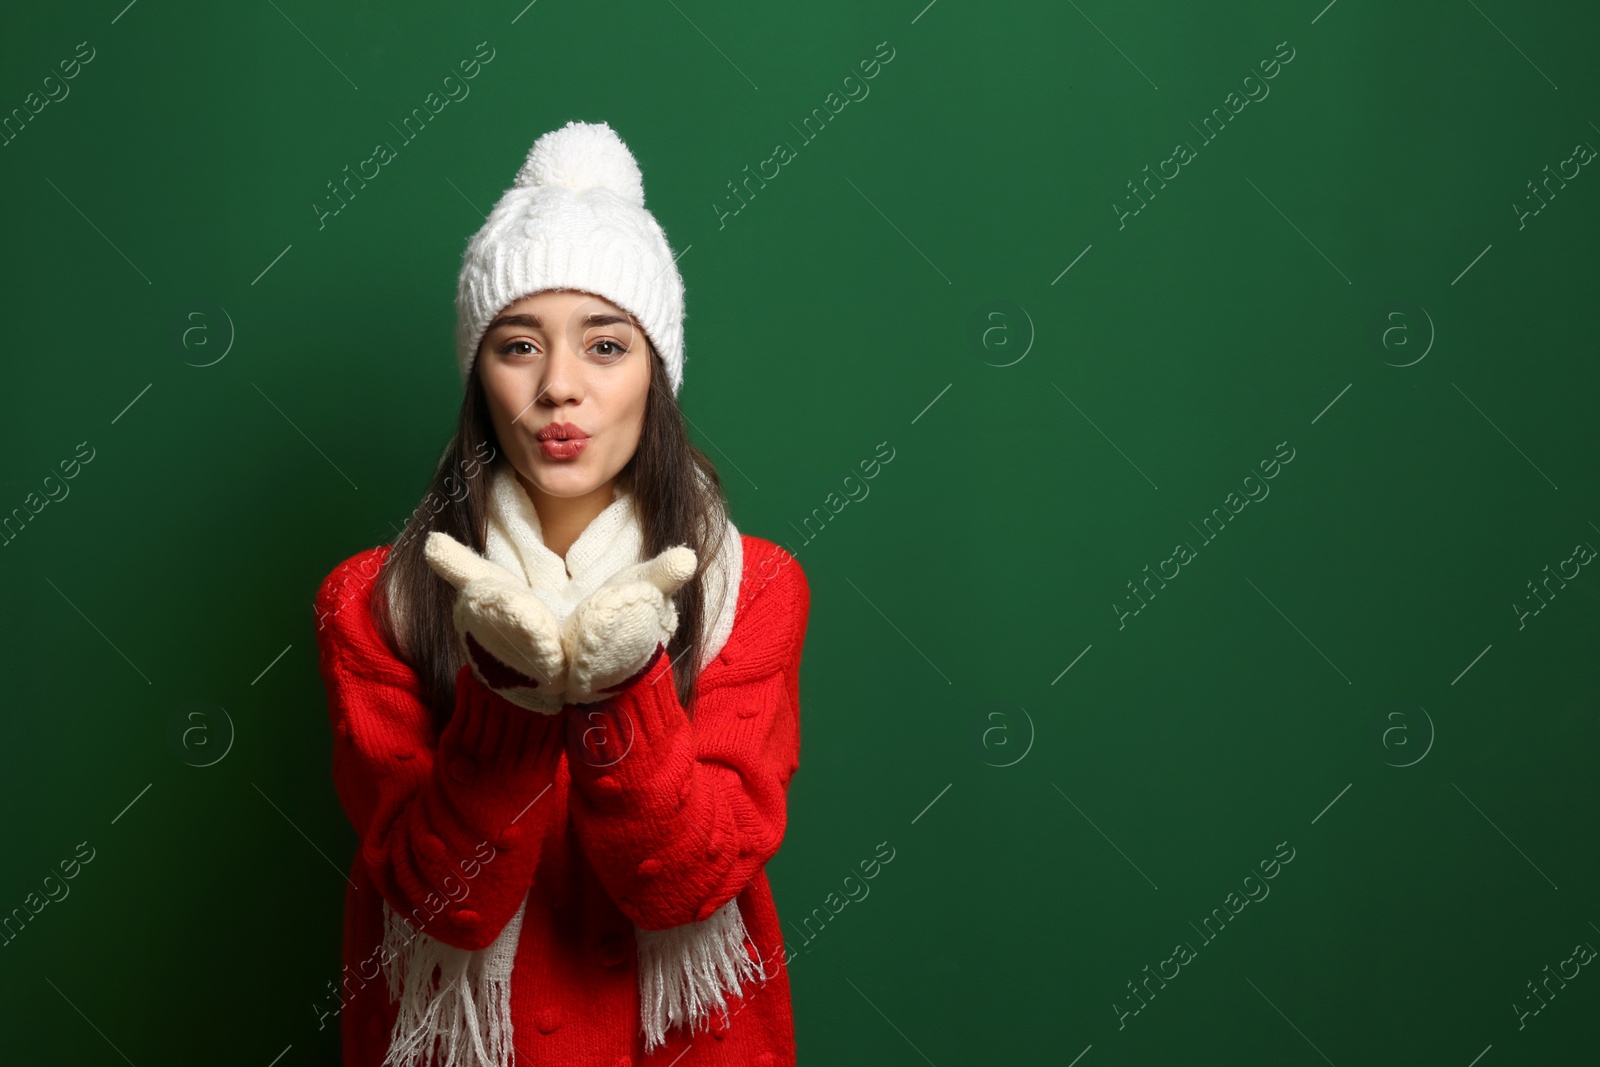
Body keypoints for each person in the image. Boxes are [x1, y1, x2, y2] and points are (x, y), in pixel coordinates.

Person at [313, 119, 809, 1067]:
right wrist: (509, 695)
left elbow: (693, 880)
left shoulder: (758, 587)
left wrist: (624, 687)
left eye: (607, 346)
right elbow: (436, 899)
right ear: (479, 376)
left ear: (655, 373)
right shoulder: (375, 601)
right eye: (519, 345)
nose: (560, 389)